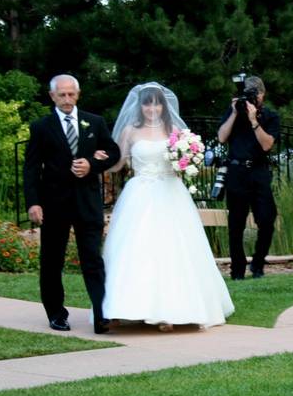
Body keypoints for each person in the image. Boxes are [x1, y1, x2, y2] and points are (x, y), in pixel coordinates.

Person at [101, 83, 235, 330]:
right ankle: (121, 307)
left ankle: (170, 311)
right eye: (147, 103)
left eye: (156, 102)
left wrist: (188, 159)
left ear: (163, 105)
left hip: (170, 193)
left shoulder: (173, 130)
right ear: (140, 106)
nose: (152, 108)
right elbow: (118, 163)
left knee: (172, 248)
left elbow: (183, 161)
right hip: (139, 193)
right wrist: (100, 161)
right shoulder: (130, 131)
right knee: (134, 249)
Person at [23, 74, 121, 334]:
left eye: (71, 94)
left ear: (78, 94)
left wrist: (92, 164)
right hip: (54, 203)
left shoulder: (95, 122)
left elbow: (113, 152)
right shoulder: (41, 127)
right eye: (62, 95)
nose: (67, 99)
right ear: (52, 96)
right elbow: (31, 168)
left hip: (87, 202)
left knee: (92, 260)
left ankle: (102, 315)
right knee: (52, 260)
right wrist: (33, 203)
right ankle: (56, 314)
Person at [216, 75, 280, 280]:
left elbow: (267, 145)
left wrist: (254, 121)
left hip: (259, 173)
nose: (252, 99)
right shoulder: (234, 112)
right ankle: (237, 270)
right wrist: (235, 113)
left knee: (267, 219)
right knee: (236, 224)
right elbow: (221, 137)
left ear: (262, 95)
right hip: (236, 172)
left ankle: (258, 264)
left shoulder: (270, 116)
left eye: (255, 94)